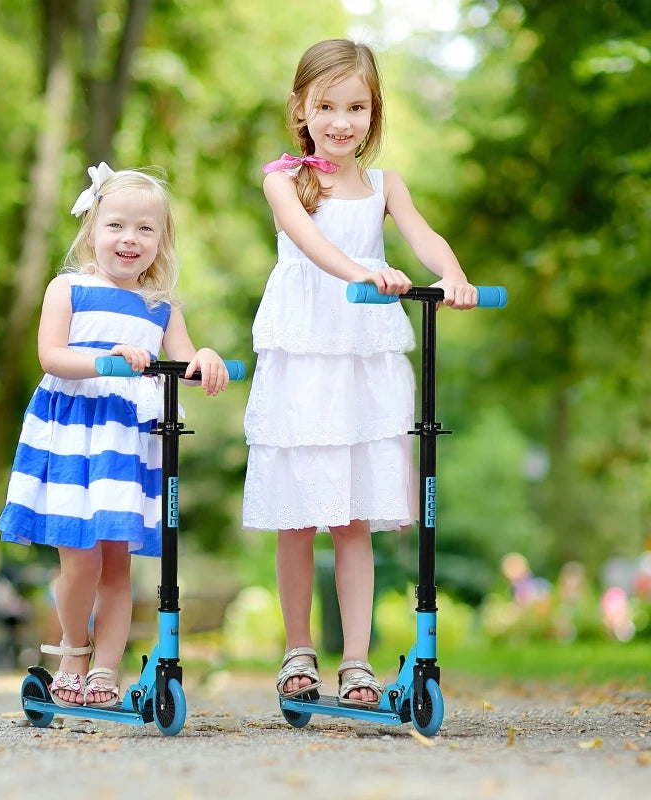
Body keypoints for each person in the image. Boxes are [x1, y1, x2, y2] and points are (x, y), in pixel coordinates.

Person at [243, 39, 478, 708]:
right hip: (305, 351)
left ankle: (356, 660)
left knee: (351, 517)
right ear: (301, 109)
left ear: (374, 114)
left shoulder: (382, 184)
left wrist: (451, 274)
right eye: (327, 106)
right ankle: (298, 650)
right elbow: (311, 242)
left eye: (356, 107)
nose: (341, 121)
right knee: (298, 515)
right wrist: (364, 272)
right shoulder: (284, 179)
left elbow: (424, 236)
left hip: (361, 358)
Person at [0, 164, 229, 708]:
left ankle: (106, 668)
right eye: (117, 226)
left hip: (126, 441)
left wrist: (206, 357)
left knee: (118, 561)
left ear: (161, 241)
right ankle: (73, 650)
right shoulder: (69, 288)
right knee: (79, 558)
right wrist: (108, 360)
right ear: (92, 231)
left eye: (146, 229)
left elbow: (185, 355)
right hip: (74, 434)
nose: (130, 239)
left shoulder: (162, 306)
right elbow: (51, 355)